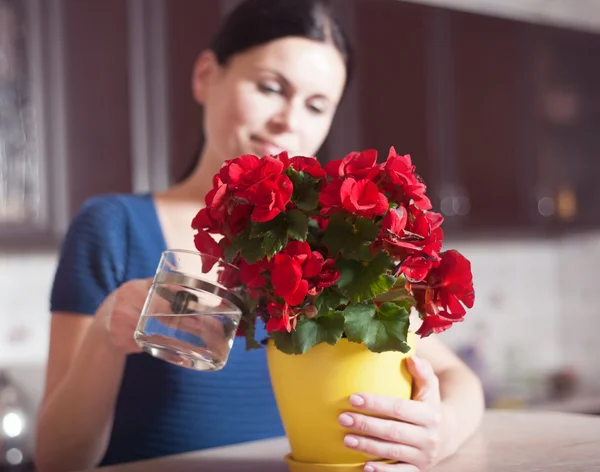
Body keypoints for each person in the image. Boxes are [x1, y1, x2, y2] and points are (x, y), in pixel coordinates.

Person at [34, 1, 484, 471]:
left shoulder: (323, 242)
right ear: (206, 75)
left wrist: (441, 430)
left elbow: (458, 376)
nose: (289, 120)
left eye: (316, 105)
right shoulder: (113, 228)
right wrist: (106, 334)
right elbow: (56, 461)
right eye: (270, 87)